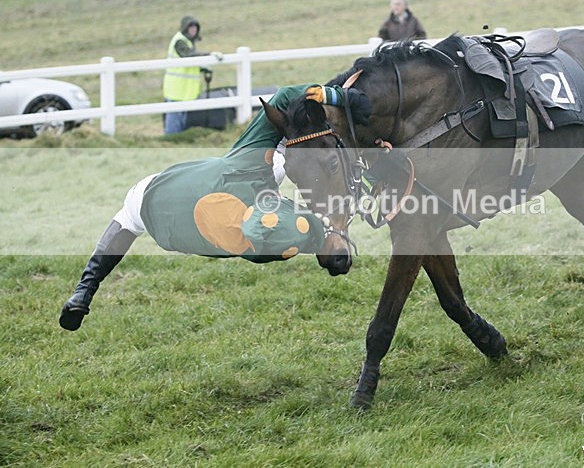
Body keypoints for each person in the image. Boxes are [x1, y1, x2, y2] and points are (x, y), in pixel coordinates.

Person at [59, 84, 371, 332]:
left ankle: (83, 290)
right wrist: (330, 237)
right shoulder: (268, 196)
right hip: (190, 224)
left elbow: (286, 95)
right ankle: (84, 290)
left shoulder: (255, 167)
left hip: (162, 197)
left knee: (130, 216)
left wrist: (337, 95)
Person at [162, 15, 223, 134]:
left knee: (181, 116)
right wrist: (208, 56)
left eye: (195, 27)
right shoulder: (180, 41)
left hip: (183, 89)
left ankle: (177, 138)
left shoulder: (187, 41)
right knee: (174, 118)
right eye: (190, 27)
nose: (193, 30)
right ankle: (171, 138)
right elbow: (188, 56)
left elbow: (188, 64)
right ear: (185, 28)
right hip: (177, 87)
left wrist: (202, 68)